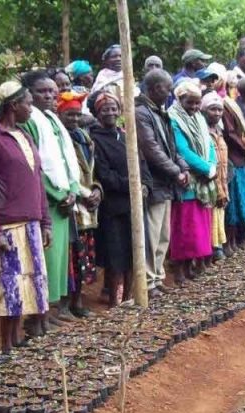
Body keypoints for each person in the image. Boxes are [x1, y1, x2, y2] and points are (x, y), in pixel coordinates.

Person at [0, 81, 52, 354]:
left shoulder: (24, 135)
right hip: (8, 223)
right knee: (9, 286)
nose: (31, 109)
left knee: (30, 284)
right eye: (28, 103)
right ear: (13, 105)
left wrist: (44, 221)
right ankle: (6, 344)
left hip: (31, 222)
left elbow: (37, 180)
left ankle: (18, 338)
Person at [20, 70, 88, 326]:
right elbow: (35, 164)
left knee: (59, 260)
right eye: (42, 91)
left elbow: (65, 160)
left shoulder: (53, 119)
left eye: (52, 91)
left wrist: (73, 189)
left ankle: (53, 311)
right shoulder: (29, 120)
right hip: (48, 201)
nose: (49, 95)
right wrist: (59, 194)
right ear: (29, 93)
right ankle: (38, 316)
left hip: (64, 200)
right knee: (45, 261)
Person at [136, 69, 188, 296]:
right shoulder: (141, 112)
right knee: (152, 233)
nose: (169, 93)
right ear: (155, 88)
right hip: (153, 181)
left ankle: (157, 277)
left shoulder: (160, 112)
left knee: (163, 234)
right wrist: (176, 171)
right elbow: (151, 148)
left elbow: (171, 146)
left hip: (165, 181)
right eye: (167, 88)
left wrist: (182, 166)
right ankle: (148, 281)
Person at [57, 90, 102, 315]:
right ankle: (64, 305)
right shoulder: (57, 140)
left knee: (83, 256)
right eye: (69, 115)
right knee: (69, 257)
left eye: (77, 115)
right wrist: (84, 194)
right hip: (71, 203)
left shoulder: (85, 139)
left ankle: (78, 301)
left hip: (87, 206)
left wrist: (96, 190)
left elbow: (93, 172)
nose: (74, 119)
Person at [88, 93, 134, 306]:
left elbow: (139, 163)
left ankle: (129, 295)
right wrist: (131, 184)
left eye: (114, 108)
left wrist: (143, 185)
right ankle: (114, 299)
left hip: (132, 204)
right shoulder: (94, 139)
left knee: (133, 250)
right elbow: (104, 174)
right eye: (105, 109)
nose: (111, 113)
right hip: (112, 204)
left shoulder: (125, 135)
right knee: (115, 254)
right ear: (97, 113)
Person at [169, 80, 217, 283]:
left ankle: (191, 267)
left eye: (198, 103)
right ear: (180, 100)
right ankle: (179, 270)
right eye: (191, 103)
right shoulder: (173, 119)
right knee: (184, 229)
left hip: (203, 181)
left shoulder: (198, 117)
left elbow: (209, 144)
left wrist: (212, 164)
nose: (195, 107)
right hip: (187, 180)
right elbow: (182, 150)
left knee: (199, 228)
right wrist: (206, 168)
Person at [222, 77, 245, 248]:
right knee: (234, 204)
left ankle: (243, 238)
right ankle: (232, 241)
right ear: (242, 91)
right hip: (234, 160)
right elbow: (231, 134)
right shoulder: (229, 107)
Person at [203, 92, 230, 259]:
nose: (217, 113)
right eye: (213, 109)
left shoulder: (219, 129)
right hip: (210, 177)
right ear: (204, 110)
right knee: (211, 210)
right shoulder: (203, 131)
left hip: (222, 175)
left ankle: (218, 244)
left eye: (220, 110)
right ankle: (211, 248)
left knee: (220, 209)